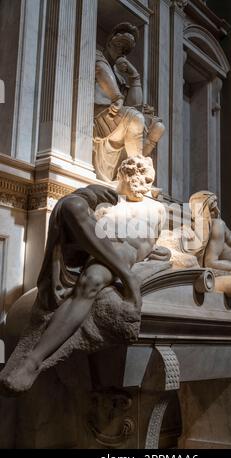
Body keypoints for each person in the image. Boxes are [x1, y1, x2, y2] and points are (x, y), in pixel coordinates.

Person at [0, 157, 169, 392]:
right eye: (131, 173)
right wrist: (89, 192)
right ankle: (127, 277)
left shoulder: (157, 207)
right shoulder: (111, 202)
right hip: (96, 246)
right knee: (71, 205)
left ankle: (33, 360)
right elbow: (86, 226)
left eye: (143, 175)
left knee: (92, 281)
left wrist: (165, 252)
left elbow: (157, 239)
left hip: (122, 252)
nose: (138, 179)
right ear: (123, 176)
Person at [93, 22, 165, 181]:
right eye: (119, 46)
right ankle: (136, 174)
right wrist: (116, 97)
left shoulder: (117, 75)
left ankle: (132, 166)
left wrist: (134, 76)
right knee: (136, 118)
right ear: (110, 41)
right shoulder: (97, 56)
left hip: (113, 115)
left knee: (157, 127)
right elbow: (100, 71)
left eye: (125, 50)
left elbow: (133, 104)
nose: (121, 52)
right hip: (98, 115)